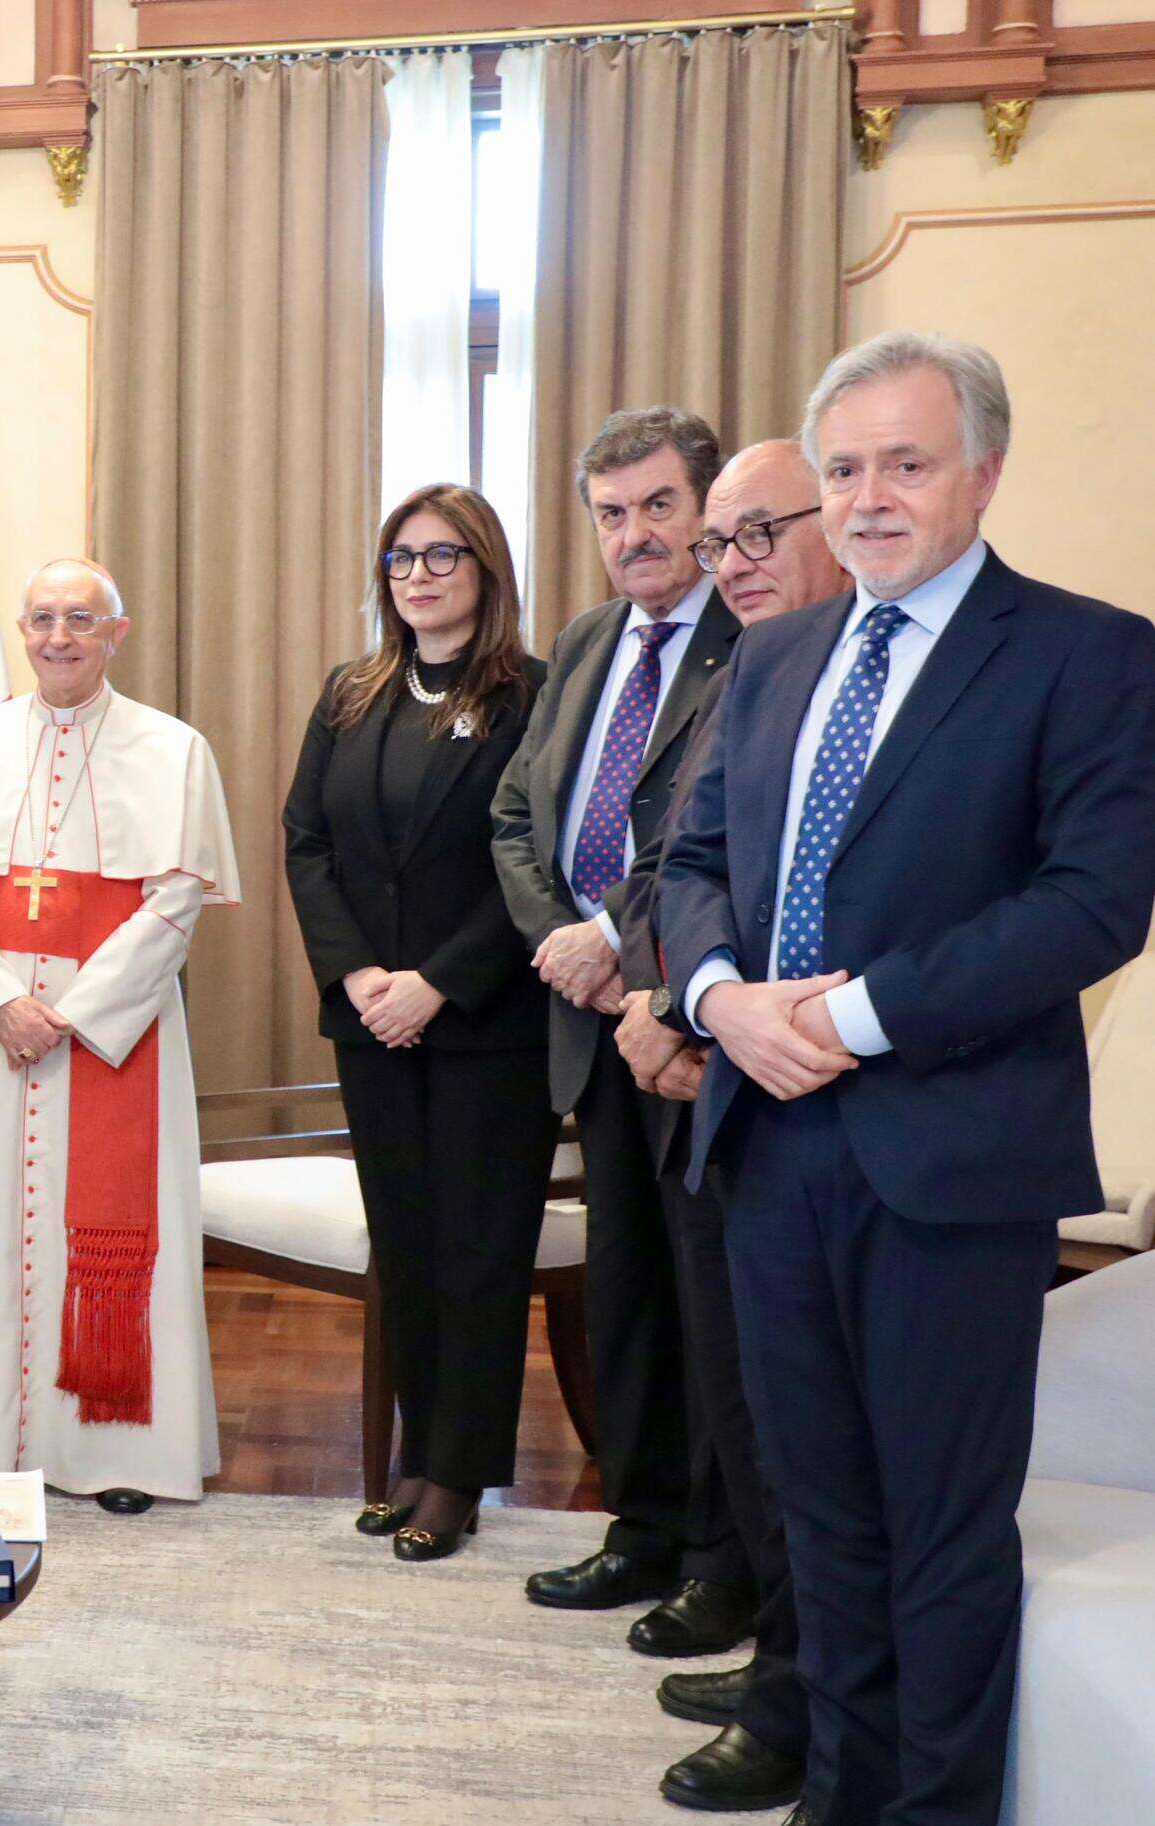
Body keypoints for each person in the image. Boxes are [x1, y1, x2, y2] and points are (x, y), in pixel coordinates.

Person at [659, 332, 1155, 1826]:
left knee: (939, 1532)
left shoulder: (1091, 653)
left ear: (983, 472)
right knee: (821, 1524)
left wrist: (858, 1015)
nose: (871, 497)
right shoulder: (774, 653)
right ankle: (838, 1799)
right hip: (768, 1148)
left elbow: (1091, 905)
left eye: (909, 461)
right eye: (848, 466)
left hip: (952, 1157)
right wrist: (719, 998)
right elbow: (694, 862)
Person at [491, 407, 753, 1647]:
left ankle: (720, 1554)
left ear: (704, 512)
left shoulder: (754, 640)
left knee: (711, 1300)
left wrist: (620, 944)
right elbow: (514, 814)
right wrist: (566, 936)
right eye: (611, 512)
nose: (635, 532)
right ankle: (639, 1527)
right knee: (626, 1290)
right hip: (589, 1019)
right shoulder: (590, 639)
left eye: (658, 505)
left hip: (688, 1018)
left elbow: (713, 840)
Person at [612, 441, 846, 1815]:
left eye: (762, 530)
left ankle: (806, 1691)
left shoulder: (863, 673)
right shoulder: (752, 672)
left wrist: (704, 1015)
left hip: (819, 1101)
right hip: (711, 1084)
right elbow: (678, 862)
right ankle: (788, 1665)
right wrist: (671, 999)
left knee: (801, 1432)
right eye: (723, 542)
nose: (735, 561)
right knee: (751, 1408)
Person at [0, 558, 240, 1510]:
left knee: (107, 1231)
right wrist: (1, 1001)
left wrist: (80, 1012)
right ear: (22, 629)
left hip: (114, 1030)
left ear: (117, 632)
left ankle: (120, 1454)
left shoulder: (174, 749)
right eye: (43, 618)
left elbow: (177, 896)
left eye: (81, 620)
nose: (59, 637)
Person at [283, 485, 553, 1559]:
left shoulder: (533, 694)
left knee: (478, 1252)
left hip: (488, 1020)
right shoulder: (353, 693)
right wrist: (357, 978)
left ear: (485, 569)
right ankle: (412, 1454)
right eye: (400, 557)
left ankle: (460, 1470)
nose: (420, 575)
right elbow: (307, 842)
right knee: (405, 1245)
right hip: (372, 1023)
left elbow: (538, 856)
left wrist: (436, 980)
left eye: (444, 556)